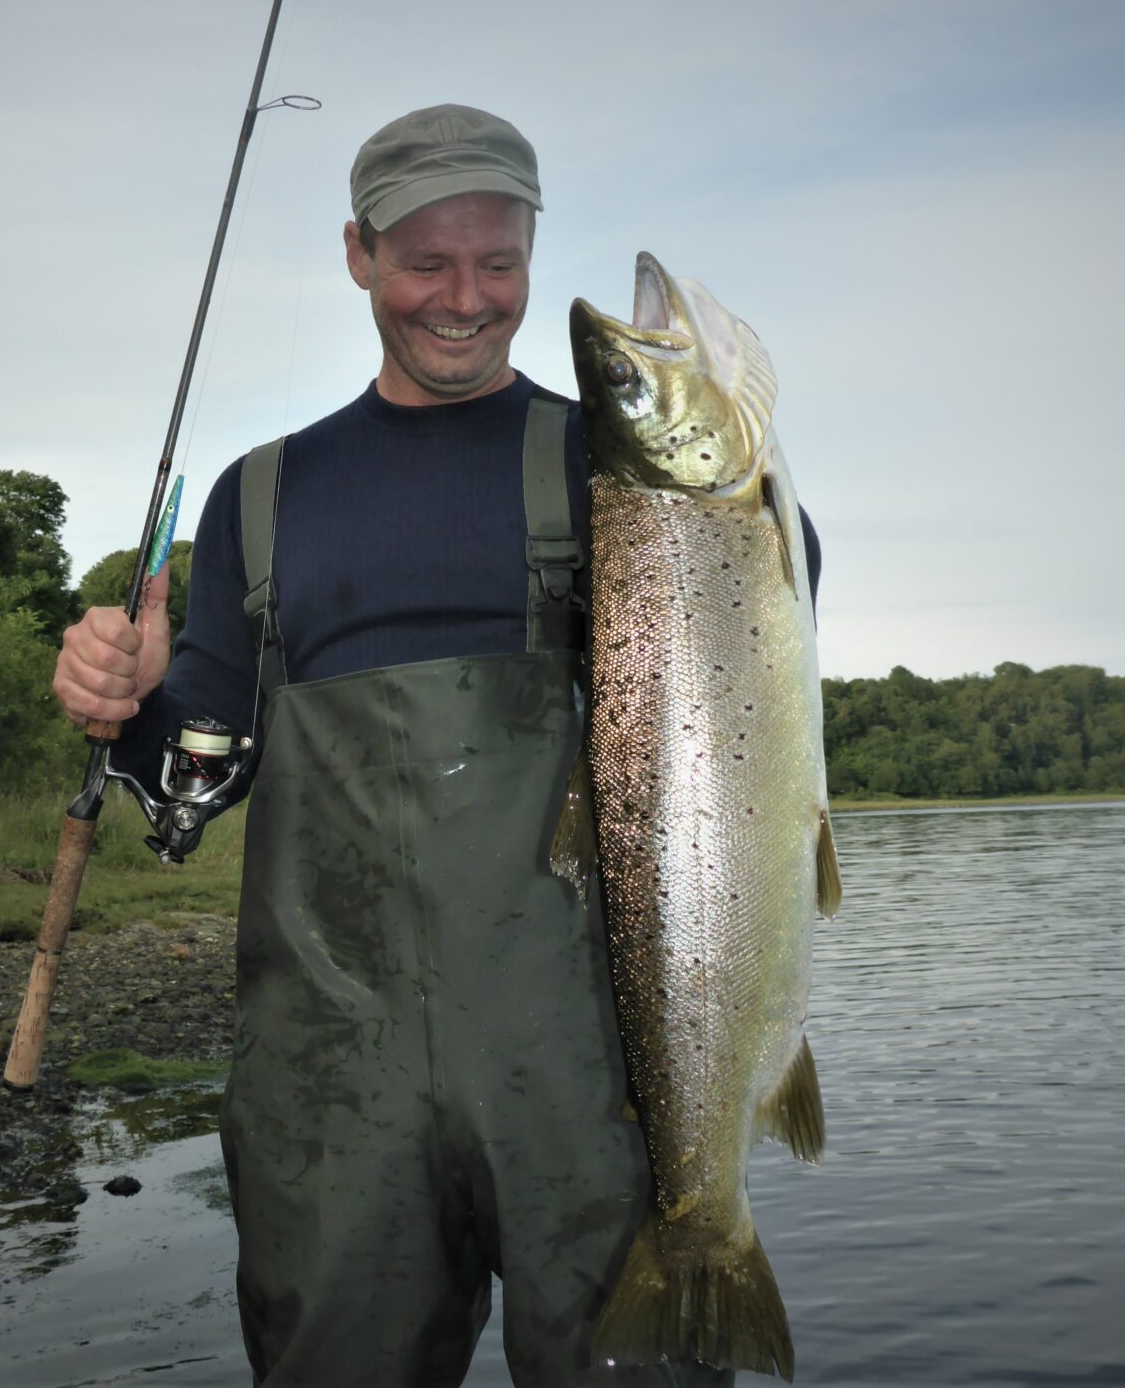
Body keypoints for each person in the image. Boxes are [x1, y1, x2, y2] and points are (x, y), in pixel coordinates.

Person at [53, 104, 818, 1387]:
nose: (466, 300)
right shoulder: (260, 495)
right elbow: (204, 768)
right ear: (359, 254)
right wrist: (126, 703)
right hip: (327, 1093)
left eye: (500, 264)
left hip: (599, 1074)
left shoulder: (608, 459)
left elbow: (755, 653)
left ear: (528, 253)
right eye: (426, 264)